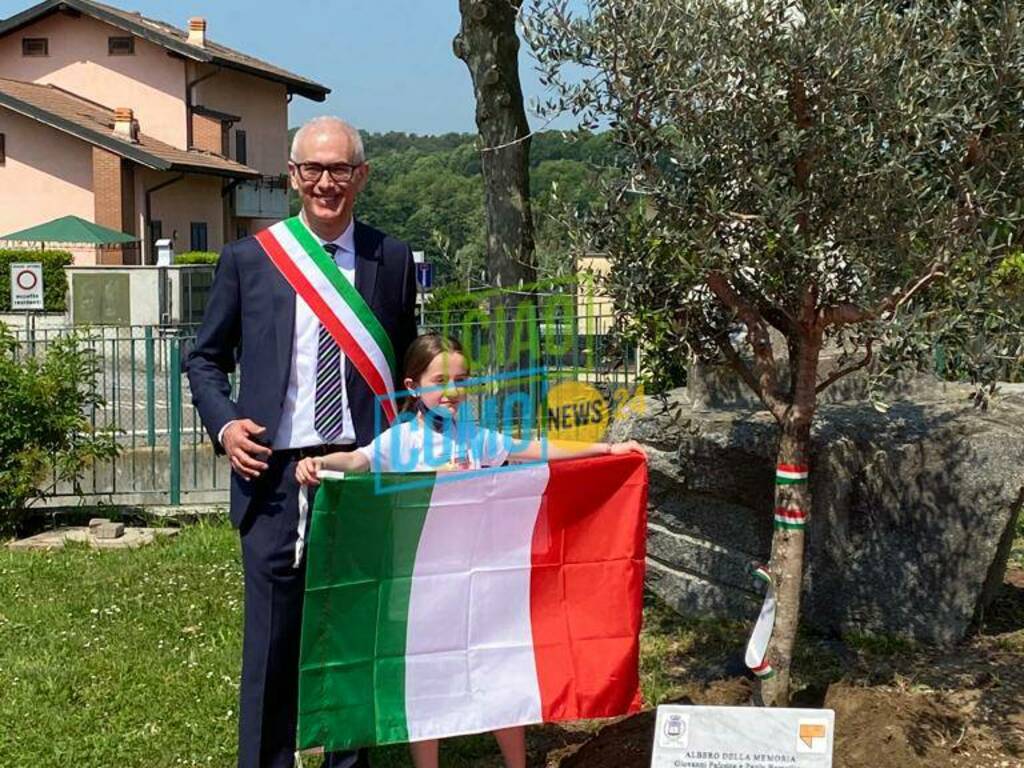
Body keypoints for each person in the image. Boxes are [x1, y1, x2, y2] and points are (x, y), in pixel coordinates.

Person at [295, 333, 646, 768]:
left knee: (500, 670)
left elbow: (532, 450)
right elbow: (360, 461)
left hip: (480, 582)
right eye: (439, 380)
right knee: (429, 680)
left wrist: (606, 449)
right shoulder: (400, 440)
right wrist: (322, 462)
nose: (452, 391)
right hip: (419, 585)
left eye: (460, 379)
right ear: (411, 387)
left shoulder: (473, 437)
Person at [186, 116, 417, 768]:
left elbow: (404, 369)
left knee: (350, 636)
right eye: (312, 169)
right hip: (273, 474)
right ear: (292, 176)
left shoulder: (391, 260)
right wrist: (226, 424)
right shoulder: (249, 259)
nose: (325, 183)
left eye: (339, 169)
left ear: (361, 176)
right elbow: (203, 358)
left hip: (356, 468)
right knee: (272, 644)